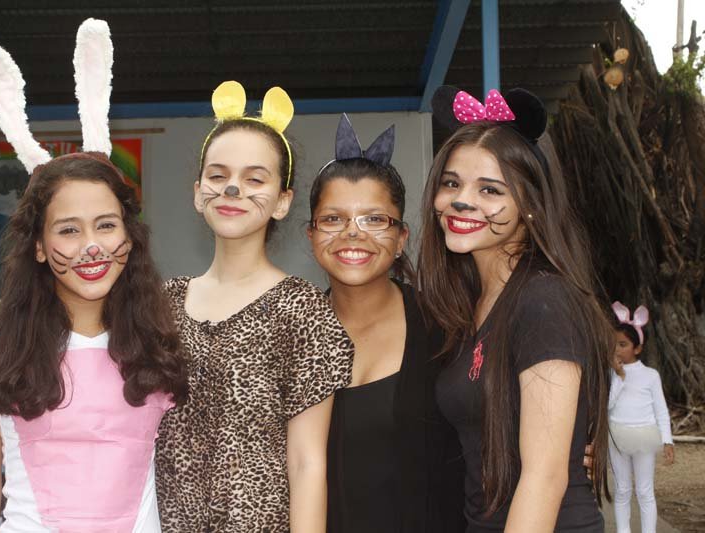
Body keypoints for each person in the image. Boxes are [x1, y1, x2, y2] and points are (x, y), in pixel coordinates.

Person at [0, 19, 187, 532]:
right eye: (69, 230)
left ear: (130, 237)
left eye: (106, 225)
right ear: (38, 245)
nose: (91, 246)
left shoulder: (161, 339)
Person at [154, 81, 354, 532]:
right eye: (218, 175)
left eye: (255, 179)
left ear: (282, 201)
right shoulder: (163, 304)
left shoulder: (302, 308)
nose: (232, 189)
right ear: (197, 192)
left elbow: (307, 462)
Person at [419, 86, 613, 532]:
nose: (462, 201)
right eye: (452, 183)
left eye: (490, 189)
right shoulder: (467, 305)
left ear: (530, 205)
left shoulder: (544, 301)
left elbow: (544, 479)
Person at [307, 114, 465, 532]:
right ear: (311, 236)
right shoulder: (293, 334)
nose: (353, 233)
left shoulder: (446, 328)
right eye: (333, 218)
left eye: (374, 219)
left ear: (401, 238)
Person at [609, 302, 674, 533]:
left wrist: (667, 440)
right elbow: (608, 406)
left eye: (623, 345)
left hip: (645, 436)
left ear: (637, 348)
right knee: (622, 490)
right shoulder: (611, 374)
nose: (617, 349)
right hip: (617, 437)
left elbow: (661, 410)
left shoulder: (650, 375)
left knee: (645, 491)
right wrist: (619, 377)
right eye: (614, 344)